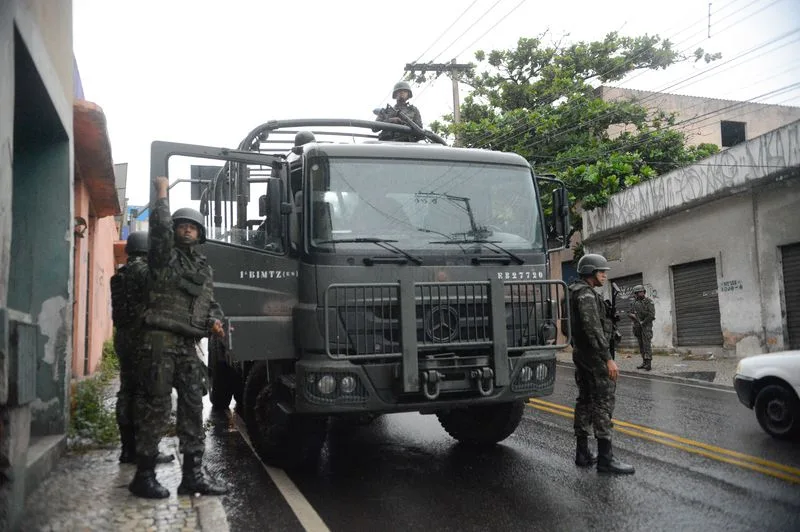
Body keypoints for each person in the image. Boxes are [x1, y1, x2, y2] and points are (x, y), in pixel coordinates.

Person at [128, 176, 228, 499]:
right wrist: (160, 195)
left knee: (192, 406)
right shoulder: (163, 257)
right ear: (174, 230)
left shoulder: (203, 267)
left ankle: (193, 475)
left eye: (192, 227)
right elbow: (158, 231)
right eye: (182, 225)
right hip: (159, 341)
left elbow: (209, 304)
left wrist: (214, 322)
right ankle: (143, 475)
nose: (187, 230)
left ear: (200, 234)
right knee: (155, 407)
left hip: (187, 346)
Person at [109, 231, 174, 466]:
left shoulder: (121, 274)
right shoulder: (142, 272)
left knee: (126, 392)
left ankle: (127, 450)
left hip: (123, 338)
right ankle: (145, 451)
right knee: (144, 395)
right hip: (141, 339)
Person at [569, 253, 635, 475]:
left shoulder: (573, 291)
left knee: (585, 400)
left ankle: (583, 453)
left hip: (582, 354)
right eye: (601, 271)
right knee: (603, 402)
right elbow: (593, 329)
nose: (605, 275)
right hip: (594, 356)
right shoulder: (585, 295)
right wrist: (608, 358)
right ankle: (606, 458)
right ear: (590, 272)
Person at [629, 284, 655, 371]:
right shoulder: (633, 302)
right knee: (641, 345)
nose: (640, 294)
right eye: (638, 292)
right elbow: (630, 312)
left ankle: (648, 364)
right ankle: (644, 362)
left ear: (644, 292)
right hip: (637, 326)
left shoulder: (648, 301)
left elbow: (651, 315)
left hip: (646, 326)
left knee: (646, 345)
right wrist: (632, 316)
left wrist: (643, 322)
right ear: (635, 293)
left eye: (642, 292)